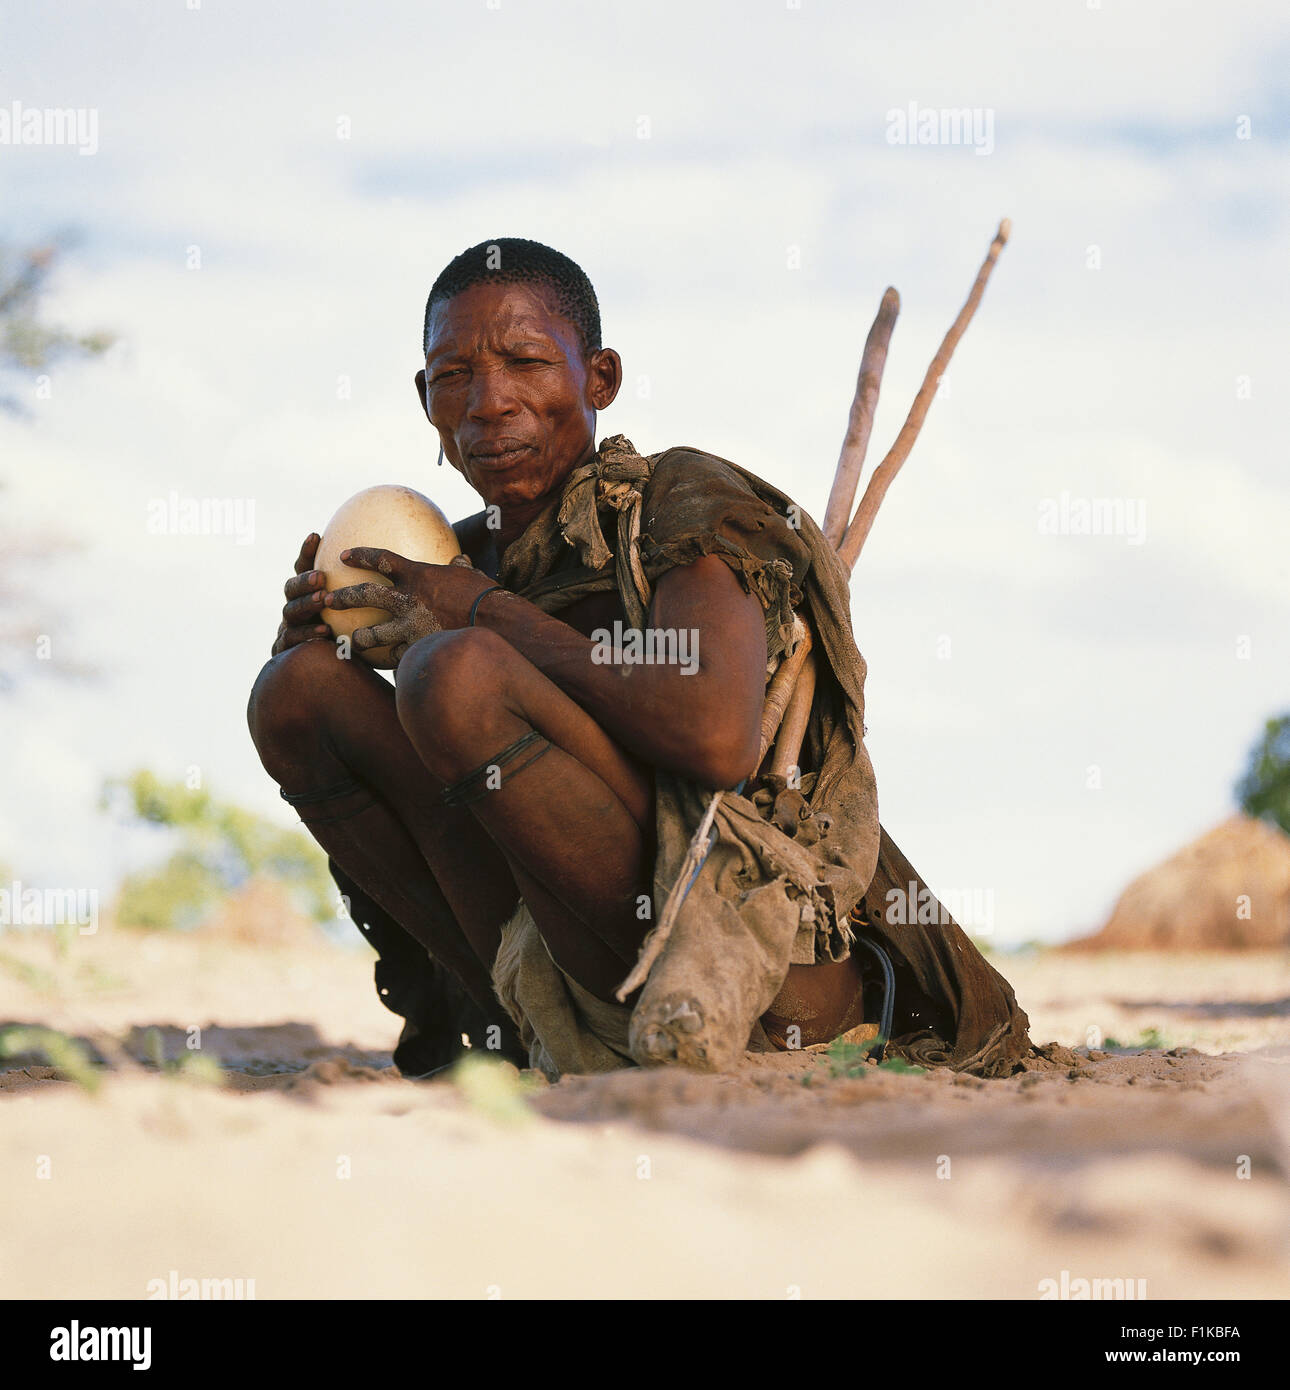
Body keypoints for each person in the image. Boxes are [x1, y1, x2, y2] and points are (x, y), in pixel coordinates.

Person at [248, 237, 1033, 1080]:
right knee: (295, 693)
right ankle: (517, 1022)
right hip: (552, 958)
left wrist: (483, 613)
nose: (490, 402)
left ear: (601, 379)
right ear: (424, 398)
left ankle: (658, 1026)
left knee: (456, 674)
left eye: (526, 362)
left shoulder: (675, 505)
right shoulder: (450, 559)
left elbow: (714, 735)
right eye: (454, 377)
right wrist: (323, 644)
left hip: (757, 970)